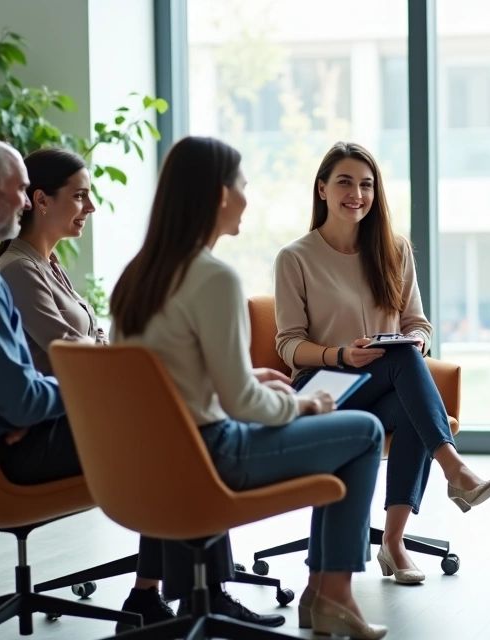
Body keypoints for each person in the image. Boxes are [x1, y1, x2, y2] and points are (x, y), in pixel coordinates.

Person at [0, 139, 175, 631]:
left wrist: (10, 409)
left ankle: (171, 590)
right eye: (21, 191)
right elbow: (21, 401)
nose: (24, 203)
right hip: (12, 456)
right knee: (174, 429)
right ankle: (182, 595)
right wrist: (27, 409)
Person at [109, 136, 387, 639]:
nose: (246, 198)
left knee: (347, 428)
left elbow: (162, 381)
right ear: (219, 195)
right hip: (211, 455)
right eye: (242, 186)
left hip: (150, 459)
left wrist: (231, 379)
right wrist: (303, 402)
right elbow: (242, 404)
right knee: (364, 430)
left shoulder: (138, 274)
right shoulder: (213, 277)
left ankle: (325, 595)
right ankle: (333, 595)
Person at [274, 141, 490, 586]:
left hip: (384, 385)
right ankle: (453, 467)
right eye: (344, 182)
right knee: (402, 363)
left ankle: (393, 543)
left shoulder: (394, 250)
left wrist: (415, 339)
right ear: (321, 189)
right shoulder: (295, 258)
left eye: (366, 185)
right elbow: (287, 344)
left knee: (408, 380)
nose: (356, 194)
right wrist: (341, 354)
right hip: (323, 390)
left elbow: (419, 324)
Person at [0, 148, 105, 375]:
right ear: (42, 200)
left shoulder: (48, 265)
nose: (91, 206)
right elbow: (69, 351)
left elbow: (93, 334)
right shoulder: (19, 269)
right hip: (61, 405)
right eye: (79, 196)